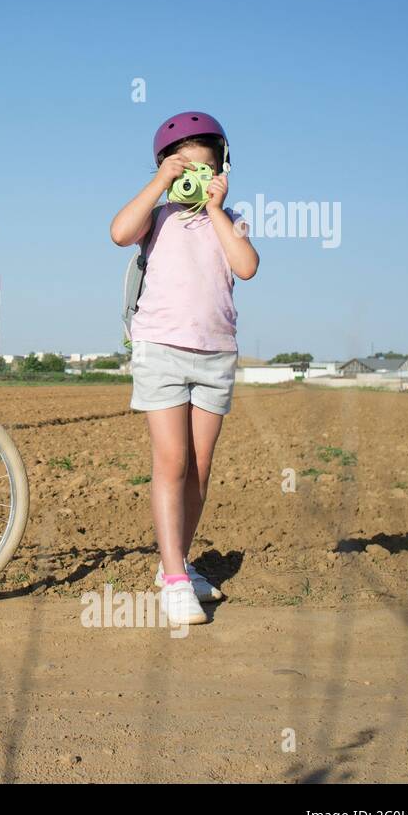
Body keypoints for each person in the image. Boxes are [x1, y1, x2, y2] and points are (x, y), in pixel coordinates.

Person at [109, 112, 259, 625]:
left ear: (223, 172)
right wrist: (160, 184)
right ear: (167, 169)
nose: (195, 179)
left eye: (207, 170)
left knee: (199, 468)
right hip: (160, 349)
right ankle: (175, 579)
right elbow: (118, 232)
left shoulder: (231, 217)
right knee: (171, 462)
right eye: (184, 169)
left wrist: (216, 208)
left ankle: (177, 562)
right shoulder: (158, 214)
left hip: (216, 354)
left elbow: (246, 266)